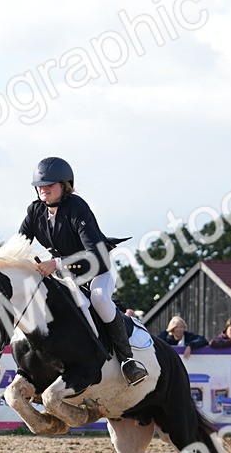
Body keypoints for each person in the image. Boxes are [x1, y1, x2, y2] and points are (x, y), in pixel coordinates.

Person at [19, 156, 147, 385]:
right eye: (40, 185)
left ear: (65, 185)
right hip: (66, 276)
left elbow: (95, 255)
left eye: (50, 184)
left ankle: (128, 361)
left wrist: (56, 264)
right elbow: (19, 244)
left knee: (99, 299)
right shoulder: (35, 211)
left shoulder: (76, 207)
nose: (43, 188)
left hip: (97, 269)